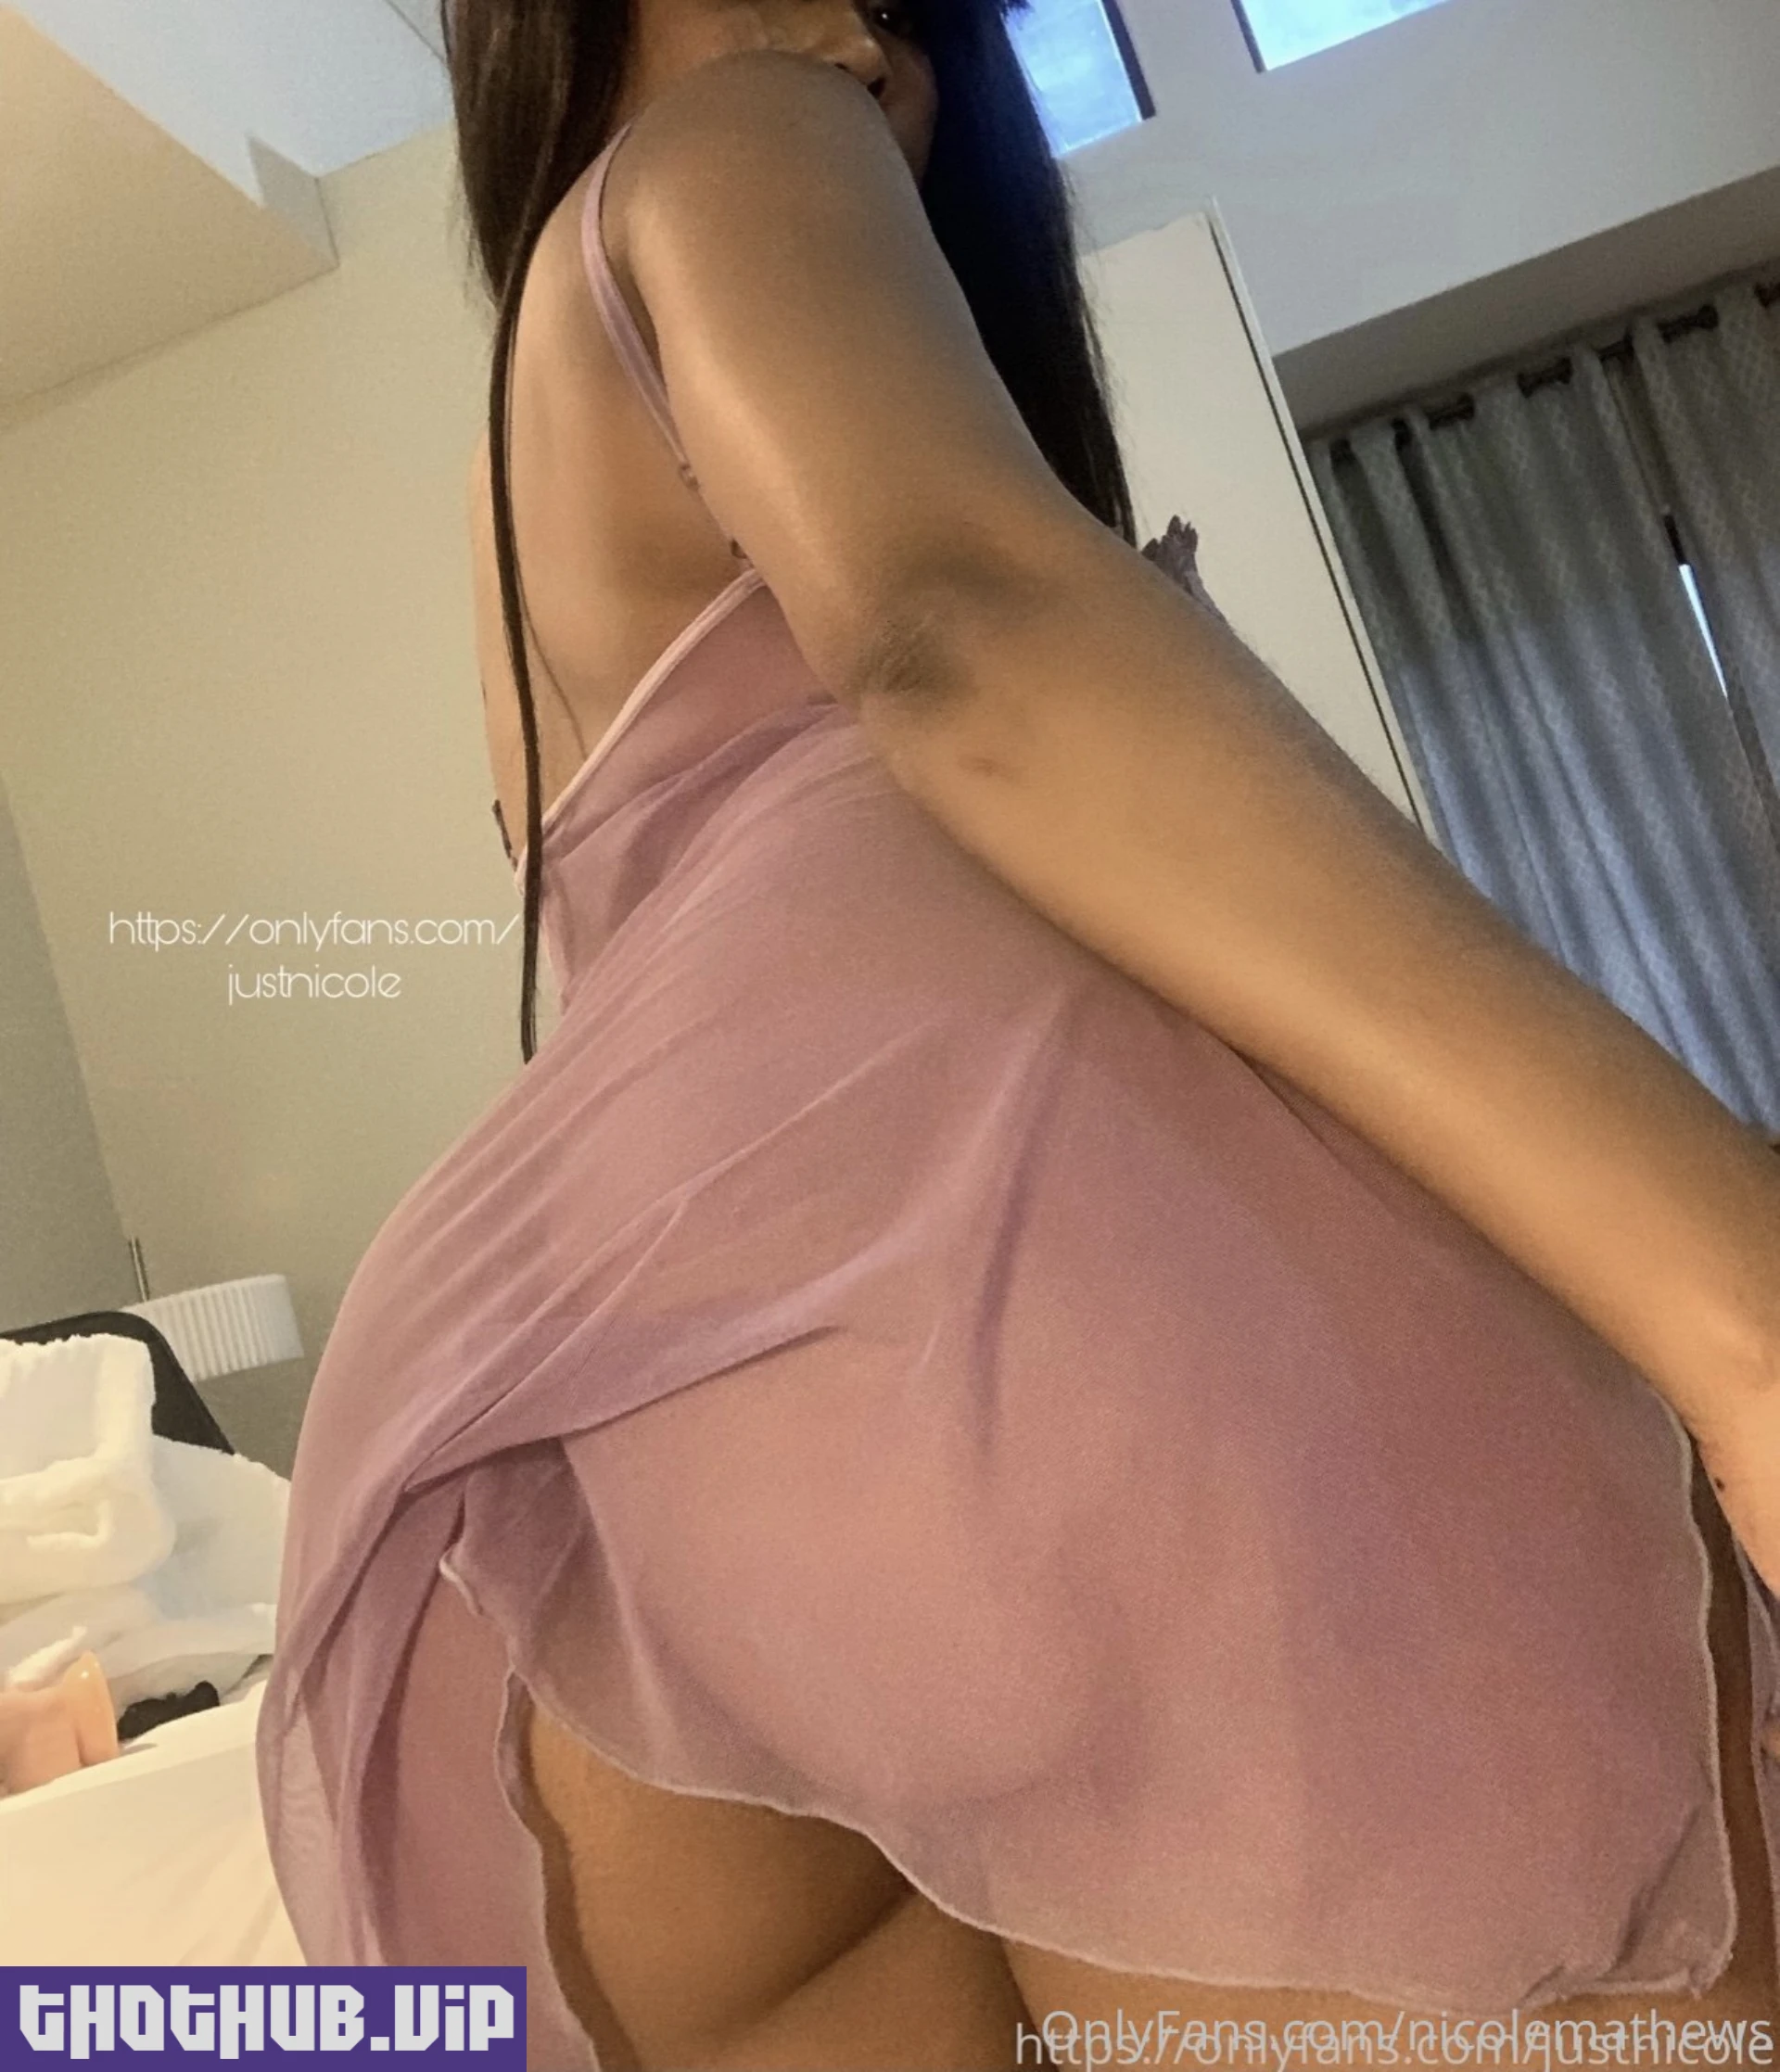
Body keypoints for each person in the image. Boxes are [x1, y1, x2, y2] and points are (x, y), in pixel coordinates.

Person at [258, 0, 1780, 2063]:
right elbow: (962, 629)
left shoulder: (508, 469)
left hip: (614, 1527)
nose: (870, 41)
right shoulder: (732, 152)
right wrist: (1739, 1307)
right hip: (1055, 1333)